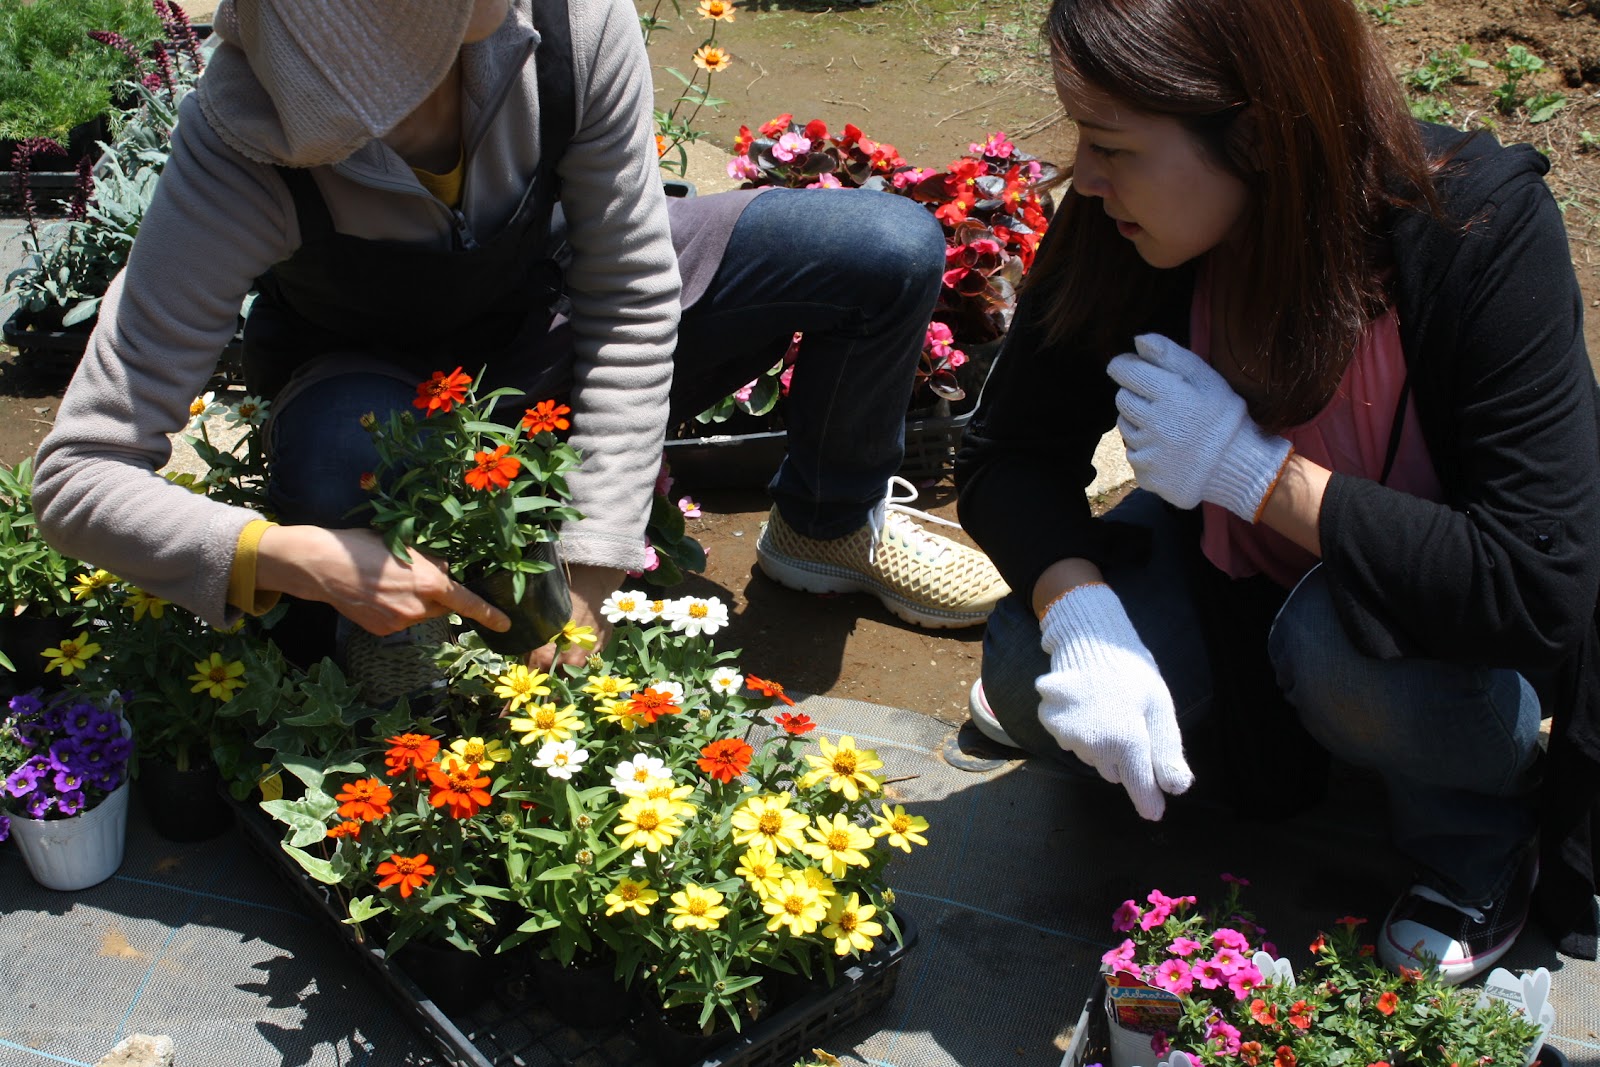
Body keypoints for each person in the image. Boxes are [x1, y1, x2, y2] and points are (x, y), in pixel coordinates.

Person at [31, 0, 1009, 690]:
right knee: (340, 445)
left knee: (882, 249)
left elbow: (628, 298)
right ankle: (389, 625)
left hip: (555, 321)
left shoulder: (569, 25)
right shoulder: (241, 141)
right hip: (377, 389)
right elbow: (77, 477)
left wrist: (585, 574)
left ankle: (826, 526)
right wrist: (291, 555)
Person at [956, 0, 1600, 981]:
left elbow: (1535, 587)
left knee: (1332, 645)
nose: (1083, 177)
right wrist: (1081, 618)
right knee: (1022, 666)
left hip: (1430, 628)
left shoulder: (1476, 230)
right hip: (1231, 578)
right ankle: (1274, 741)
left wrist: (1254, 476)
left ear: (1257, 134)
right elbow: (1007, 451)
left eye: (1113, 145)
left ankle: (1476, 833)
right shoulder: (1123, 229)